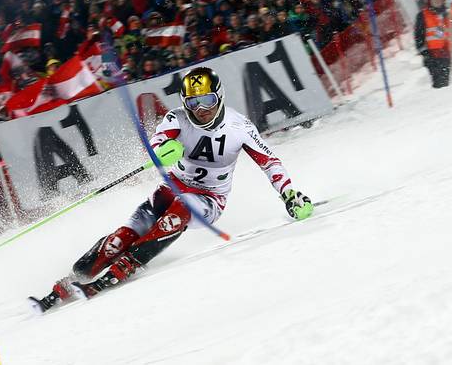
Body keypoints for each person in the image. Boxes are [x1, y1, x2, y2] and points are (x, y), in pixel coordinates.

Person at [29, 66, 313, 312]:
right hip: (168, 191)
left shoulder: (239, 126)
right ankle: (74, 277)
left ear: (220, 97)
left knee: (185, 206)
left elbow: (269, 161)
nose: (201, 110)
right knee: (121, 237)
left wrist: (288, 194)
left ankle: (131, 262)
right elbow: (158, 141)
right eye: (193, 103)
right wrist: (163, 151)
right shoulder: (177, 118)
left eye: (208, 101)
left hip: (209, 200)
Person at [415, 0, 452, 88]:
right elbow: (419, 36)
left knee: (448, 83)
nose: (437, 0)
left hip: (447, 53)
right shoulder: (422, 15)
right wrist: (425, 54)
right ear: (429, 1)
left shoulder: (447, 14)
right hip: (433, 55)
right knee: (439, 83)